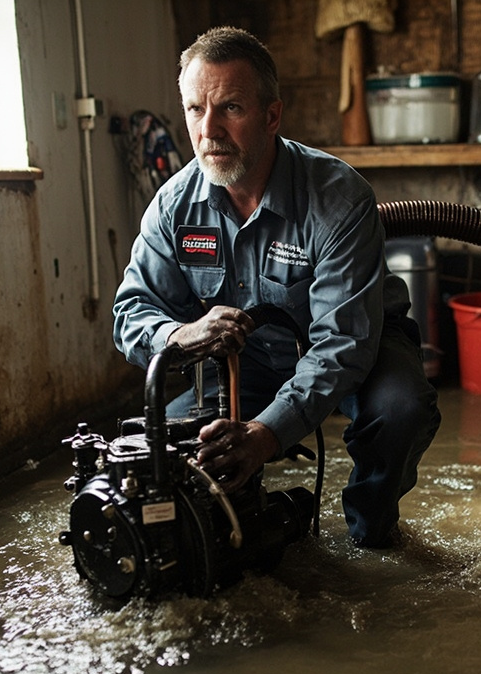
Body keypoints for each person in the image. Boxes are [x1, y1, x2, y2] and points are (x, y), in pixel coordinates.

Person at [112, 26, 441, 549]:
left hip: (364, 347)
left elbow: (342, 346)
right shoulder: (175, 204)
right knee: (171, 446)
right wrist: (182, 335)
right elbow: (130, 314)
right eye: (196, 110)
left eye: (231, 109)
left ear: (271, 116)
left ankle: (373, 536)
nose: (209, 130)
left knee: (399, 410)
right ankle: (233, 535)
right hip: (252, 360)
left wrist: (264, 436)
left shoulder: (338, 197)